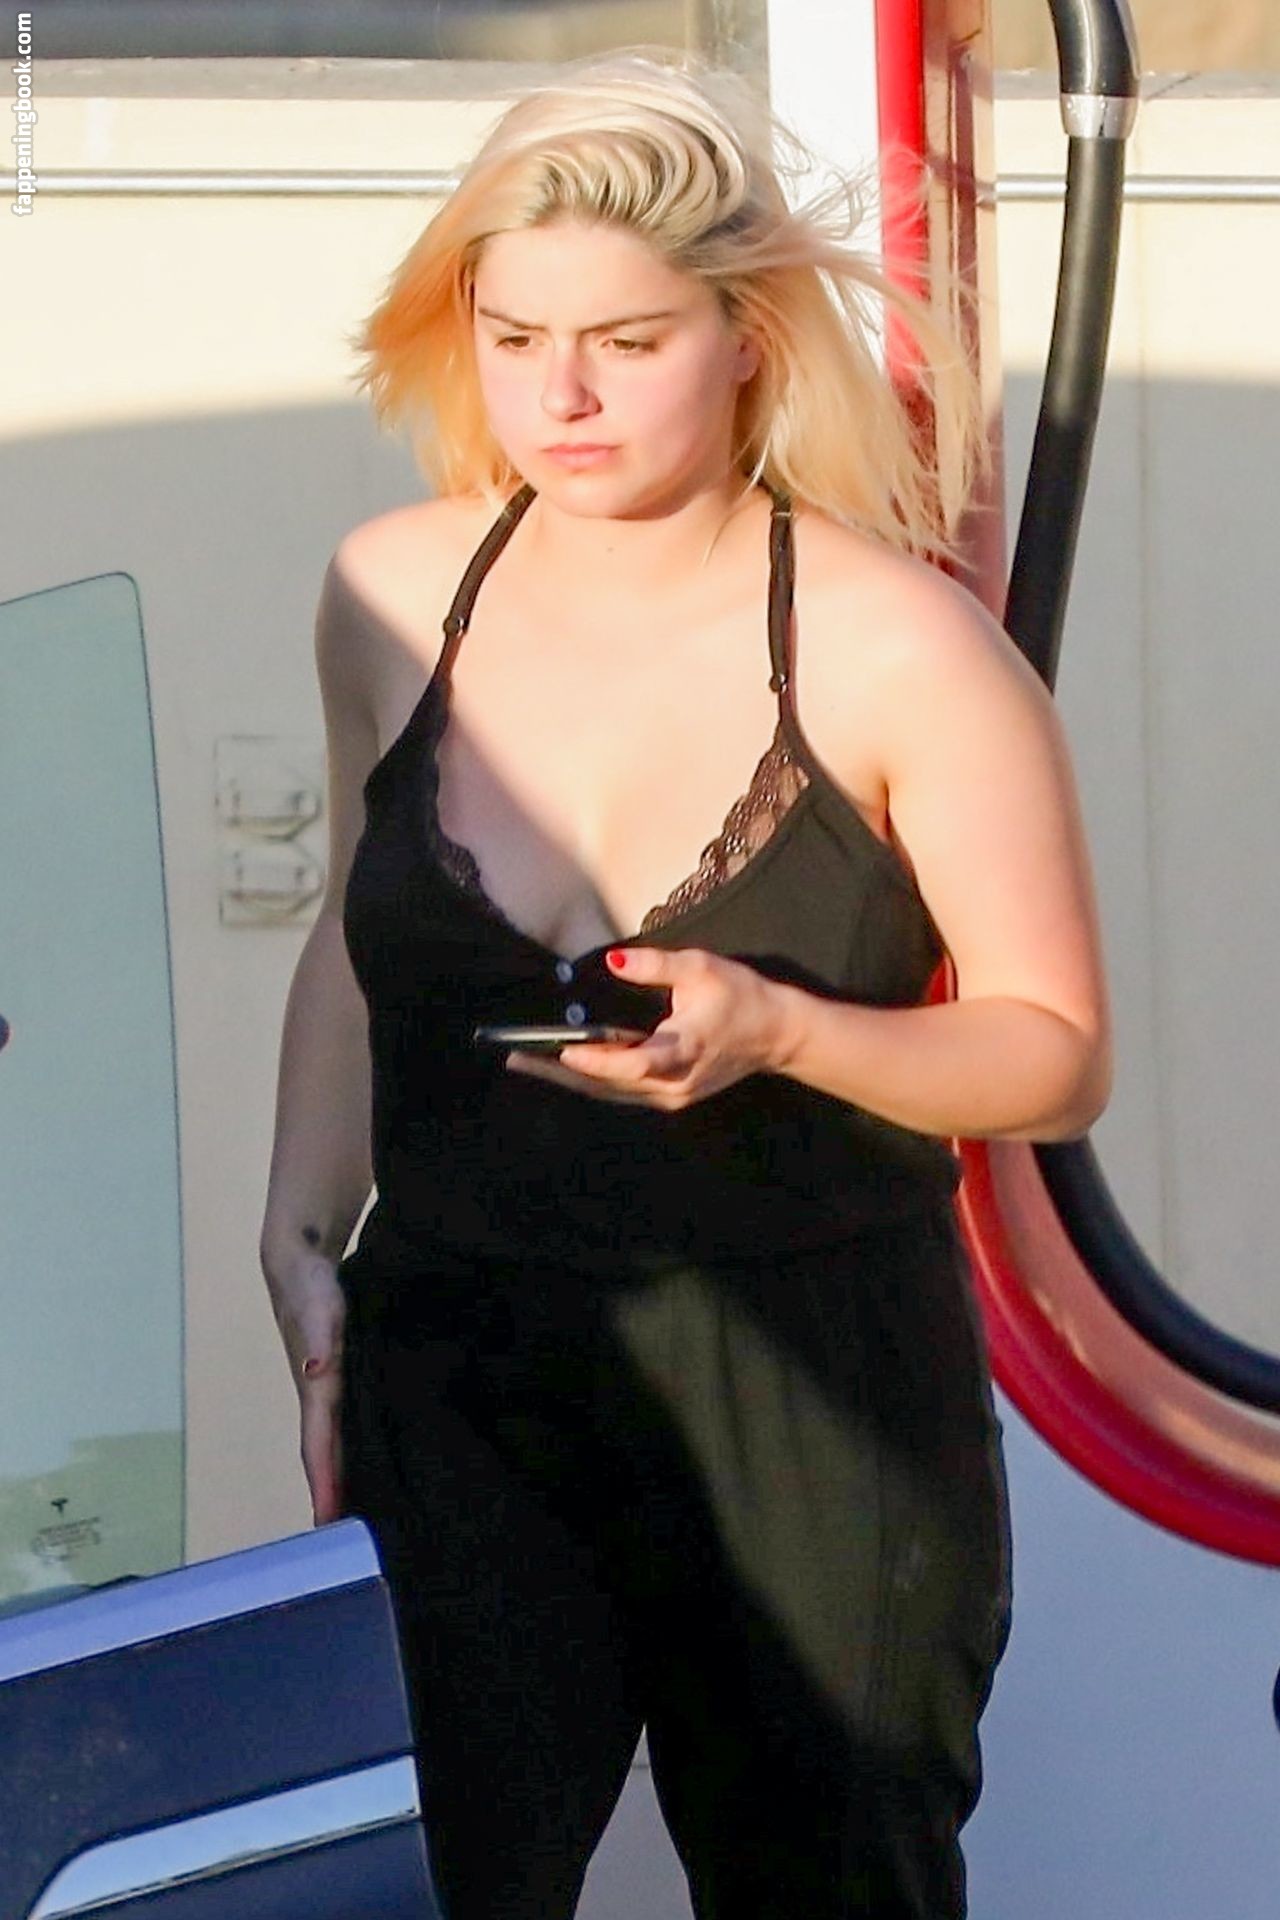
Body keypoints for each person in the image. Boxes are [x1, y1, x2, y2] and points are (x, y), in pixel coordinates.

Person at [259, 49, 1110, 1920]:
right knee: (422, 1887)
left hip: (813, 1395)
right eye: (514, 338)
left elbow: (1052, 1053)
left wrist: (785, 1029)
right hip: (462, 1364)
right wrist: (302, 1233)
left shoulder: (901, 645)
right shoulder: (391, 593)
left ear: (746, 341)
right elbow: (356, 938)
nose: (560, 396)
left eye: (628, 343)